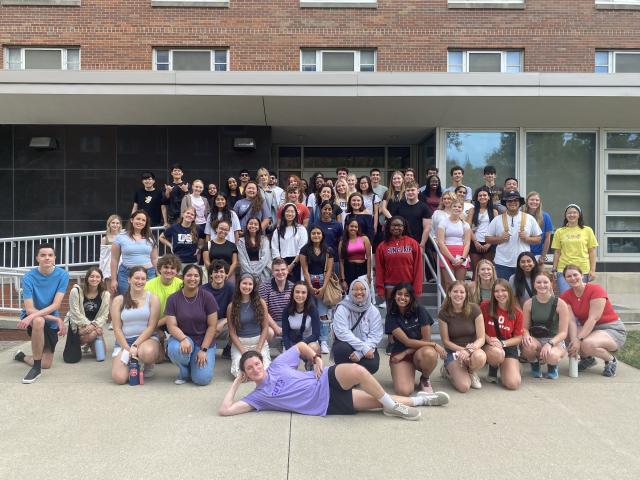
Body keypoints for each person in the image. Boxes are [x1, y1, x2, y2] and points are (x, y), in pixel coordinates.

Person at [219, 343, 449, 419]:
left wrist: (316, 357)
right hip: (326, 405)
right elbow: (225, 410)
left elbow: (300, 346)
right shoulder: (257, 397)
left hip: (325, 379)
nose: (255, 368)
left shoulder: (278, 365)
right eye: (249, 369)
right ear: (247, 374)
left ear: (262, 362)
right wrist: (236, 382)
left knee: (357, 372)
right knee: (376, 401)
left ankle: (394, 407)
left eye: (257, 364)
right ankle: (422, 401)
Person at [14, 243, 70, 384]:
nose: (47, 258)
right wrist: (34, 316)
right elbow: (29, 309)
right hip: (35, 318)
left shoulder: (62, 275)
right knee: (39, 321)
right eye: (43, 255)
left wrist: (54, 319)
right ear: (37, 258)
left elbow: (56, 305)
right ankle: (36, 369)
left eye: (50, 255)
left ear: (54, 258)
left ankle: (22, 357)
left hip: (49, 318)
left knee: (47, 364)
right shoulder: (28, 277)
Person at [562, 264, 627, 377]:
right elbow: (571, 321)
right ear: (565, 279)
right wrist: (574, 343)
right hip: (591, 329)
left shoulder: (595, 290)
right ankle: (588, 359)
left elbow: (593, 318)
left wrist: (579, 339)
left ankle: (610, 360)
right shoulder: (565, 296)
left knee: (587, 343)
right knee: (567, 335)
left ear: (582, 275)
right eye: (569, 276)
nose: (573, 278)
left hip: (610, 328)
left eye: (575, 275)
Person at [385, 283, 447, 395]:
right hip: (400, 354)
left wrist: (406, 352)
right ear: (394, 295)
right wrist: (434, 345)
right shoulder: (391, 315)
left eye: (406, 295)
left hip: (419, 352)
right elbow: (407, 341)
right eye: (399, 294)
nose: (402, 297)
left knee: (430, 354)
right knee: (404, 391)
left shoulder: (420, 310)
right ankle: (408, 371)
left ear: (411, 298)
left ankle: (425, 378)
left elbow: (426, 340)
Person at [165, 264, 218, 385]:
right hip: (182, 339)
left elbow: (212, 326)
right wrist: (183, 339)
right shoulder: (173, 299)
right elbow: (171, 325)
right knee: (173, 349)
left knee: (202, 380)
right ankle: (184, 371)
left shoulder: (207, 297)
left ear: (200, 278)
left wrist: (204, 350)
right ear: (183, 277)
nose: (192, 278)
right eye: (189, 275)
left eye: (196, 275)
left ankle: (193, 367)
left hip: (203, 341)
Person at [109, 267, 161, 384]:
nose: (140, 281)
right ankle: (133, 362)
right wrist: (127, 348)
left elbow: (152, 326)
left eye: (143, 279)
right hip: (124, 341)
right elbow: (117, 328)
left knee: (147, 353)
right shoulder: (119, 300)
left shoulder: (153, 299)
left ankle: (146, 362)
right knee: (119, 378)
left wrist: (136, 345)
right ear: (129, 279)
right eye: (136, 278)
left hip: (146, 340)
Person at [438, 281, 486, 392]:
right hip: (453, 351)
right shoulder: (443, 313)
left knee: (480, 357)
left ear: (466, 294)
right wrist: (462, 350)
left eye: (462, 292)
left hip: (472, 349)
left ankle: (471, 371)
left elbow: (481, 338)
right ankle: (448, 371)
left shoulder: (475, 309)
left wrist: (469, 350)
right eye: (455, 291)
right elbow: (446, 342)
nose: (458, 295)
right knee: (464, 387)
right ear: (449, 293)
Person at [521, 271, 569, 379]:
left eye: (545, 282)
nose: (542, 285)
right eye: (538, 282)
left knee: (552, 356)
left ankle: (552, 367)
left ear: (551, 283)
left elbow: (563, 333)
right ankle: (534, 364)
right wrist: (526, 335)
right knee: (528, 346)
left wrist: (550, 343)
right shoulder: (529, 303)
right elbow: (525, 327)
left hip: (554, 339)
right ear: (534, 284)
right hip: (536, 338)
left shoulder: (560, 304)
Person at [485, 190, 542, 280]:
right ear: (505, 203)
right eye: (509, 201)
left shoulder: (529, 218)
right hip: (502, 263)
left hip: (523, 263)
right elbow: (487, 239)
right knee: (503, 291)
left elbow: (539, 239)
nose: (512, 203)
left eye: (515, 200)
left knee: (522, 292)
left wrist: (527, 239)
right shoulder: (497, 219)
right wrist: (500, 239)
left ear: (519, 202)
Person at [332, 277, 383, 374]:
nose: (359, 292)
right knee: (341, 350)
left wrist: (360, 353)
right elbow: (342, 332)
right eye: (355, 289)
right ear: (350, 291)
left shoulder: (373, 311)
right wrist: (363, 348)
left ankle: (357, 376)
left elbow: (375, 335)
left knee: (373, 364)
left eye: (362, 289)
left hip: (366, 345)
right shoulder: (343, 307)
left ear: (367, 291)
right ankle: (345, 375)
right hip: (348, 345)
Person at [480, 280, 524, 389]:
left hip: (507, 344)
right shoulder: (485, 306)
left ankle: (514, 366)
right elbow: (478, 329)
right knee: (497, 354)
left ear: (509, 291)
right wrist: (489, 339)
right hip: (489, 343)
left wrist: (502, 343)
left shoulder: (517, 312)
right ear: (493, 293)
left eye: (503, 290)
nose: (500, 294)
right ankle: (493, 368)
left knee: (512, 384)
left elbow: (518, 338)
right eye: (496, 291)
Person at [227, 273, 272, 377]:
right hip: (240, 344)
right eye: (244, 283)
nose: (247, 287)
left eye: (250, 284)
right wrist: (244, 352)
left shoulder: (261, 303)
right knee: (238, 374)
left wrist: (258, 349)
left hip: (258, 342)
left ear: (253, 286)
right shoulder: (231, 306)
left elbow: (265, 327)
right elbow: (232, 333)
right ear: (239, 285)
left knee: (265, 372)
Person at [299, 226, 335, 354]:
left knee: (323, 313)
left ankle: (324, 340)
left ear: (322, 235)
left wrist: (323, 287)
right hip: (310, 282)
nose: (316, 235)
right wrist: (309, 286)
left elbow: (330, 270)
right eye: (313, 233)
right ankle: (312, 339)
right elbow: (305, 270)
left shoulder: (328, 250)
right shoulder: (304, 250)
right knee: (310, 311)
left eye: (318, 233)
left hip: (323, 280)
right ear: (310, 235)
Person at [551, 204, 598, 294]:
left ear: (579, 215)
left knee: (580, 296)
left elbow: (592, 251)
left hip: (582, 269)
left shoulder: (587, 230)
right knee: (565, 296)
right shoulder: (559, 231)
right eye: (569, 213)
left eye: (574, 213)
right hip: (563, 269)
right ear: (565, 215)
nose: (572, 215)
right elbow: (557, 252)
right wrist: (554, 269)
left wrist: (592, 270)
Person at [110, 210, 158, 295]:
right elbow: (114, 259)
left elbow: (154, 259)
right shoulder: (121, 237)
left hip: (148, 275)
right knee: (126, 302)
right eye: (138, 219)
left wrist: (158, 274)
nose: (140, 222)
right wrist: (113, 280)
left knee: (147, 301)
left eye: (143, 220)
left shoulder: (150, 237)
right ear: (132, 220)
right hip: (126, 275)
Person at [376, 216, 423, 301]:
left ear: (404, 227)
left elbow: (418, 268)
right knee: (392, 313)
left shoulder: (413, 243)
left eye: (399, 225)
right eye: (393, 225)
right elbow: (379, 270)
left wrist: (417, 289)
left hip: (408, 285)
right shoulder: (382, 246)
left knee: (408, 313)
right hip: (390, 286)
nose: (396, 227)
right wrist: (380, 289)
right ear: (389, 227)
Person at [67, 267, 111, 356]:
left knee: (101, 353)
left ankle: (89, 342)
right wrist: (91, 326)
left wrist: (94, 325)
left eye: (97, 277)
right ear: (87, 278)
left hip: (94, 326)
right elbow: (75, 313)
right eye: (92, 276)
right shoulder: (76, 291)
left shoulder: (105, 295)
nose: (94, 279)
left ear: (101, 279)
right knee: (93, 333)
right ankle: (75, 343)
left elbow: (104, 315)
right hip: (78, 325)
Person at [202, 260, 234, 359]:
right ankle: (204, 348)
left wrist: (223, 322)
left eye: (221, 272)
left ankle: (228, 348)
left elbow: (235, 311)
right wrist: (213, 324)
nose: (218, 274)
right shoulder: (202, 290)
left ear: (226, 274)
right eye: (215, 272)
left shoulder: (231, 288)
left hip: (224, 325)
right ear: (211, 275)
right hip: (206, 324)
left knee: (240, 322)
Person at [436, 198, 470, 290]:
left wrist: (463, 258)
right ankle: (448, 304)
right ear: (451, 207)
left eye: (459, 207)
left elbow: (467, 243)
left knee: (460, 283)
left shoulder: (465, 224)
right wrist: (452, 259)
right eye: (454, 206)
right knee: (449, 283)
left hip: (461, 253)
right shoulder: (443, 223)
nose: (457, 208)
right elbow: (441, 243)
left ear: (462, 209)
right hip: (447, 254)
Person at [281, 282, 321, 361]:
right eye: (297, 292)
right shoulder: (287, 310)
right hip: (292, 341)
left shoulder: (313, 310)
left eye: (303, 292)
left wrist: (300, 345)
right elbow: (285, 334)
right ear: (293, 293)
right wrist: (290, 350)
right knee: (288, 362)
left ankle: (311, 367)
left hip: (308, 341)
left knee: (314, 347)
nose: (300, 295)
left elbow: (316, 334)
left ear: (307, 295)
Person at [388, 180, 431, 252]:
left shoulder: (424, 207)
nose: (410, 192)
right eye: (408, 190)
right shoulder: (400, 206)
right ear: (405, 192)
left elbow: (426, 228)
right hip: (402, 243)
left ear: (418, 191)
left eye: (412, 190)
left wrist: (422, 244)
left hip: (418, 242)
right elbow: (395, 225)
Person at [271, 203, 308, 282]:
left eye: (292, 211)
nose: (289, 214)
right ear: (283, 213)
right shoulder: (277, 230)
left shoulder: (301, 229)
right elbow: (275, 248)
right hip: (281, 263)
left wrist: (292, 265)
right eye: (287, 211)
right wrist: (282, 265)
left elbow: (302, 249)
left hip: (297, 263)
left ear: (296, 214)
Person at [258, 258, 294, 340]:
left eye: (283, 269)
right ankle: (266, 352)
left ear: (287, 270)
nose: (280, 272)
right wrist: (275, 327)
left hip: (288, 322)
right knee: (269, 332)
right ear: (272, 272)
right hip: (269, 322)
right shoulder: (264, 287)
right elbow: (263, 311)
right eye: (277, 270)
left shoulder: (293, 287)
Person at [467, 186, 498, 271]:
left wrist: (489, 244)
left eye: (485, 195)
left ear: (488, 197)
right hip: (475, 242)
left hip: (489, 244)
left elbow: (496, 230)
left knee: (488, 270)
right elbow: (467, 228)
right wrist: (475, 242)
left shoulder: (494, 211)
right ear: (477, 198)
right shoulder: (472, 210)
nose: (482, 197)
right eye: (480, 195)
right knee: (476, 271)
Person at [339, 219, 372, 292]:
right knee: (351, 293)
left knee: (363, 292)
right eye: (351, 226)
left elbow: (369, 258)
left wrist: (369, 275)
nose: (353, 228)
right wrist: (343, 280)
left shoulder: (364, 239)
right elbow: (341, 261)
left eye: (355, 227)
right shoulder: (342, 242)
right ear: (347, 227)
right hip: (349, 270)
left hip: (362, 270)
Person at [236, 217, 272, 283]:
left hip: (262, 271)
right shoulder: (240, 241)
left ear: (259, 227)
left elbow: (265, 258)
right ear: (247, 226)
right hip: (246, 271)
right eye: (251, 223)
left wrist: (255, 273)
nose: (253, 226)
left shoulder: (264, 240)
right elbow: (242, 260)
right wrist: (250, 274)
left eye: (256, 224)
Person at [523, 191, 553, 265]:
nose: (534, 202)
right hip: (523, 252)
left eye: (537, 200)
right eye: (532, 199)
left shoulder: (545, 216)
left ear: (540, 202)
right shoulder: (521, 215)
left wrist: (543, 256)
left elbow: (547, 238)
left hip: (538, 254)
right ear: (527, 201)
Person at [99, 214, 122, 296]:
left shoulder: (123, 238)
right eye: (113, 223)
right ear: (109, 224)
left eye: (117, 223)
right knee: (110, 293)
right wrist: (101, 272)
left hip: (122, 268)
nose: (115, 225)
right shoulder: (105, 239)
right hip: (108, 270)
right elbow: (102, 257)